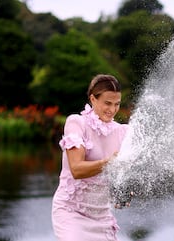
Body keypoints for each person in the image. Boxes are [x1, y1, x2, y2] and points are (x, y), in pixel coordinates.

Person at [52, 74, 128, 241]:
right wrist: (107, 163)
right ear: (93, 99)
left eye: (117, 104)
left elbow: (123, 174)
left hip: (102, 216)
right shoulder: (77, 123)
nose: (112, 109)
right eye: (107, 103)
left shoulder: (123, 132)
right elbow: (77, 170)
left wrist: (124, 190)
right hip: (72, 212)